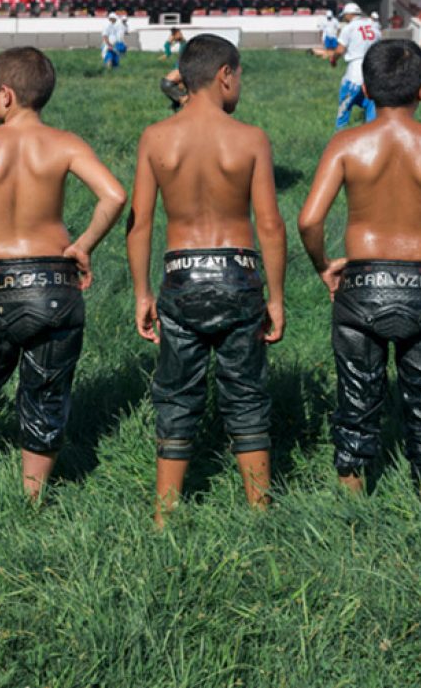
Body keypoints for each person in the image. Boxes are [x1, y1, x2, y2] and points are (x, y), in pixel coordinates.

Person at [0, 47, 126, 505]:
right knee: (47, 391)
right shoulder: (66, 143)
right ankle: (32, 499)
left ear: (6, 95)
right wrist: (82, 246)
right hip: (55, 281)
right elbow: (113, 195)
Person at [298, 40, 421, 510]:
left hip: (361, 283)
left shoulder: (346, 144)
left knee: (355, 404)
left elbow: (308, 221)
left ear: (364, 89)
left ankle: (350, 514)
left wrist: (324, 266)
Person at [126, 35, 287, 526]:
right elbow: (271, 225)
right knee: (246, 393)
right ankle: (259, 508)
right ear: (225, 76)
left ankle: (164, 511)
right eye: (238, 76)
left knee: (176, 393)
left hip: (181, 274)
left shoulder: (156, 137)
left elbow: (140, 222)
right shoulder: (251, 138)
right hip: (238, 273)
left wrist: (142, 293)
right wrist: (275, 297)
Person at [328, 2, 378, 128]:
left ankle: (339, 136)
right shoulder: (374, 26)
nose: (344, 18)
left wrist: (333, 58)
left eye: (345, 15)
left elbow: (339, 50)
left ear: (349, 14)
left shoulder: (349, 28)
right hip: (373, 69)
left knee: (344, 107)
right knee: (371, 106)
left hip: (355, 70)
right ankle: (371, 134)